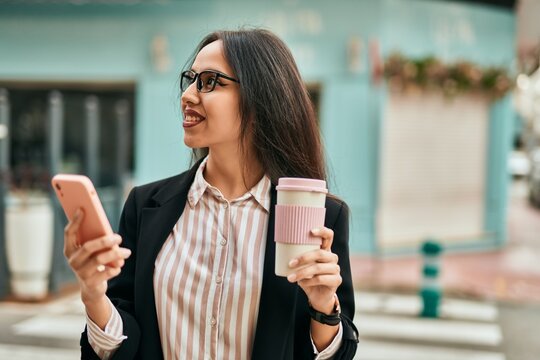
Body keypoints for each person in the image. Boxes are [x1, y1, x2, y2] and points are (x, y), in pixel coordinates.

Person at [63, 29, 358, 360]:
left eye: (208, 82)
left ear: (259, 96)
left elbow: (332, 352)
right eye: (189, 80)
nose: (187, 95)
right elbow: (125, 342)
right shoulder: (145, 206)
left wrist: (323, 307)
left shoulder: (320, 216)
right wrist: (93, 293)